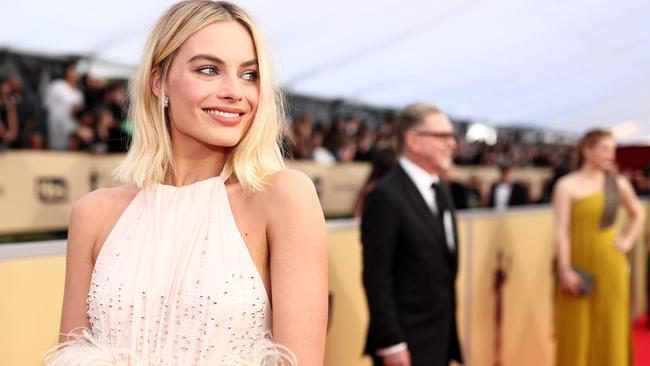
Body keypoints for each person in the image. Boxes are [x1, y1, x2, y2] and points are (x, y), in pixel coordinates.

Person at [47, 1, 328, 365]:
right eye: (209, 70)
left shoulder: (284, 199)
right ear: (158, 81)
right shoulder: (94, 213)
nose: (234, 91)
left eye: (249, 75)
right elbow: (69, 357)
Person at [361, 103, 463, 366]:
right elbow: (376, 277)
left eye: (452, 136)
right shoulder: (385, 196)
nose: (452, 144)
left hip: (439, 335)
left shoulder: (440, 188)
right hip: (405, 344)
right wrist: (391, 343)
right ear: (413, 140)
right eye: (443, 136)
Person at [553, 129, 645, 366]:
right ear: (587, 150)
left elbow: (639, 213)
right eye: (605, 149)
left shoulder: (618, 184)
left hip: (611, 264)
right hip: (577, 266)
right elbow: (561, 232)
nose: (610, 155)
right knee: (575, 332)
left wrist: (627, 241)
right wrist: (564, 269)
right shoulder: (566, 186)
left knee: (611, 328)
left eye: (613, 150)